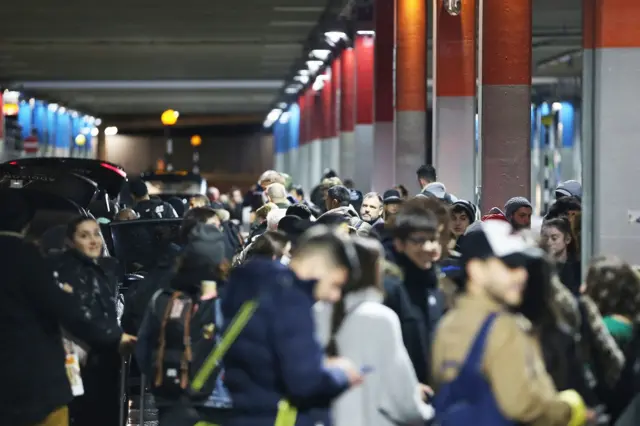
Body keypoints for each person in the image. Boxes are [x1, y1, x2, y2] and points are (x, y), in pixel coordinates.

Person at [432, 220, 588, 426]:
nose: (522, 274)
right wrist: (569, 410)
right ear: (476, 270)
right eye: (510, 265)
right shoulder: (504, 327)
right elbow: (522, 405)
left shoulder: (446, 324)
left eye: (522, 266)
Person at [0, 193, 136, 426]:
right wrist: (114, 337)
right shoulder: (29, 259)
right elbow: (68, 310)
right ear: (26, 224)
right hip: (34, 385)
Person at [221, 226, 364, 426]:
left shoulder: (252, 285)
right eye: (336, 284)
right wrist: (341, 374)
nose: (335, 296)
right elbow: (304, 382)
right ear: (319, 265)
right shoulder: (291, 299)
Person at [314, 237, 434, 426]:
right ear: (375, 269)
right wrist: (424, 409)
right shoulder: (380, 318)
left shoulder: (317, 312)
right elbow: (402, 396)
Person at [53, 216, 126, 426]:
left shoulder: (95, 269)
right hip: (85, 364)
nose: (94, 241)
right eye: (84, 236)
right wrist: (116, 338)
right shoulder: (74, 271)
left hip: (95, 363)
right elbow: (80, 317)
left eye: (96, 234)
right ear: (69, 241)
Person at [541, 217, 581, 295]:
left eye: (554, 238)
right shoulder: (541, 267)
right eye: (545, 238)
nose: (549, 242)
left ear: (567, 239)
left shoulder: (578, 267)